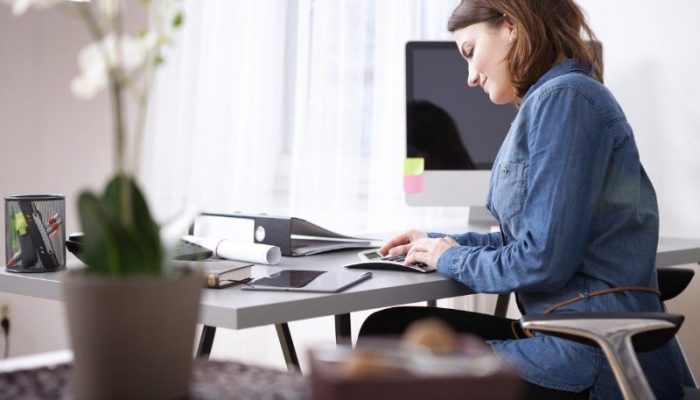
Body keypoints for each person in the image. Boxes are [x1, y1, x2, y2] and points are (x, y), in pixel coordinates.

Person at [359, 1, 684, 399]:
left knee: (389, 356)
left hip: (586, 353)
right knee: (389, 329)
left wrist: (449, 257)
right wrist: (437, 243)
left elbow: (541, 260)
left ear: (511, 26)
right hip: (567, 333)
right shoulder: (554, 99)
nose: (470, 77)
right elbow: (527, 238)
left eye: (470, 51)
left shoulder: (565, 100)